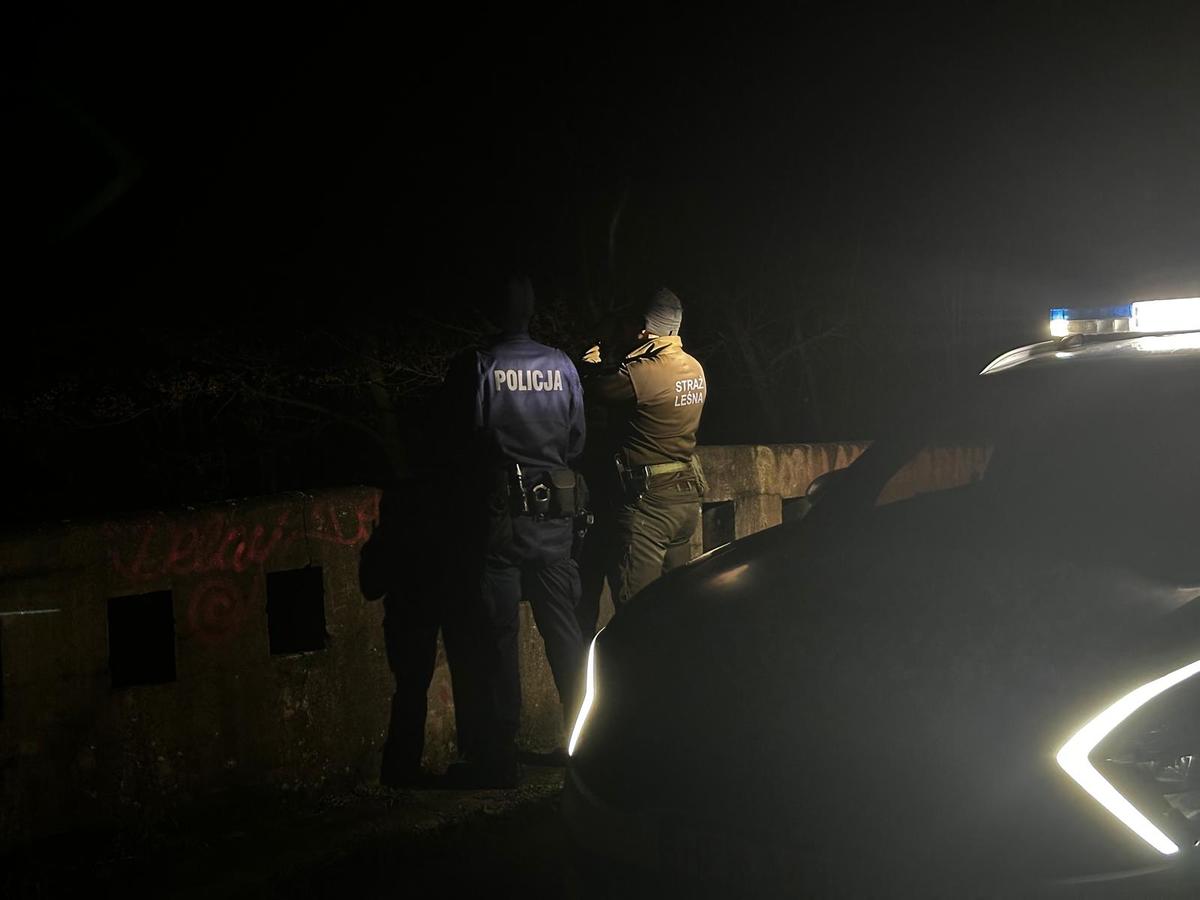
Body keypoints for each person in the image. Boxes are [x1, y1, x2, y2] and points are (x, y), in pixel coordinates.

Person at [443, 275, 587, 786]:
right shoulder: (562, 365)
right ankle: (585, 743)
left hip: (501, 517)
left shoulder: (481, 365)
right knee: (565, 633)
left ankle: (500, 757)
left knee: (497, 637)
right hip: (555, 518)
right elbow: (576, 440)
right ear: (530, 312)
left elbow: (465, 439)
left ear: (493, 313)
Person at [579, 287, 708, 615]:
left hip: (649, 503)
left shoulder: (644, 372)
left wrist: (590, 363)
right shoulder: (694, 368)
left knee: (638, 608)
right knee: (678, 602)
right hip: (685, 496)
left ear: (643, 329)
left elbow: (593, 389)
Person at [358, 475, 483, 787]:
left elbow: (371, 587)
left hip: (408, 610)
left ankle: (403, 767)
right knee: (458, 678)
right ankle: (468, 758)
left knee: (411, 689)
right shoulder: (438, 523)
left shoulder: (393, 533)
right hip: (430, 603)